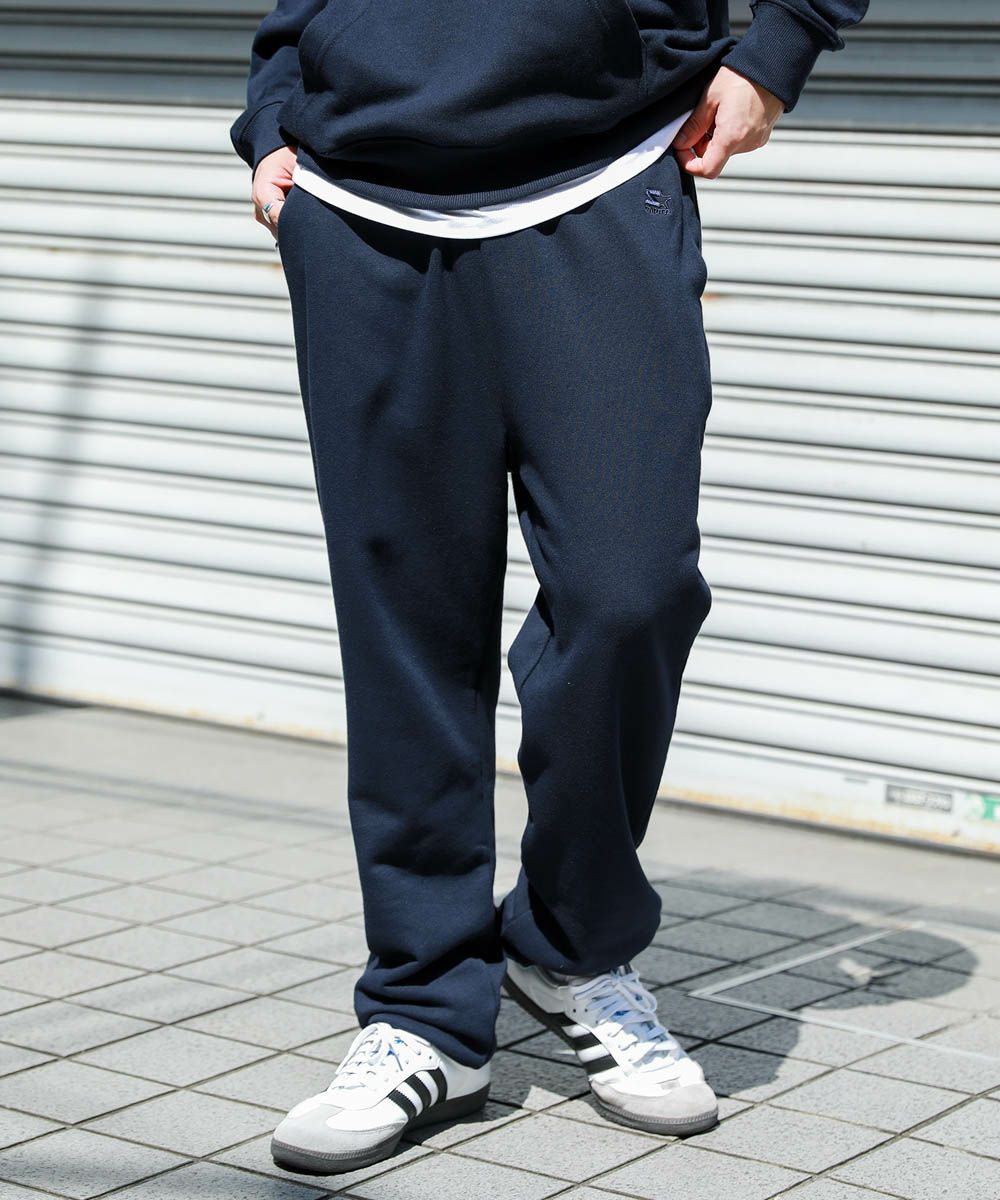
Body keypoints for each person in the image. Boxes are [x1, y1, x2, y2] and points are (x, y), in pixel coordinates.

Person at [232, 0, 869, 1175]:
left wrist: (778, 48)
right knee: (407, 622)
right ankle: (425, 1009)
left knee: (632, 592)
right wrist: (272, 112)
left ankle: (569, 944)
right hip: (359, 203)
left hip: (602, 175)